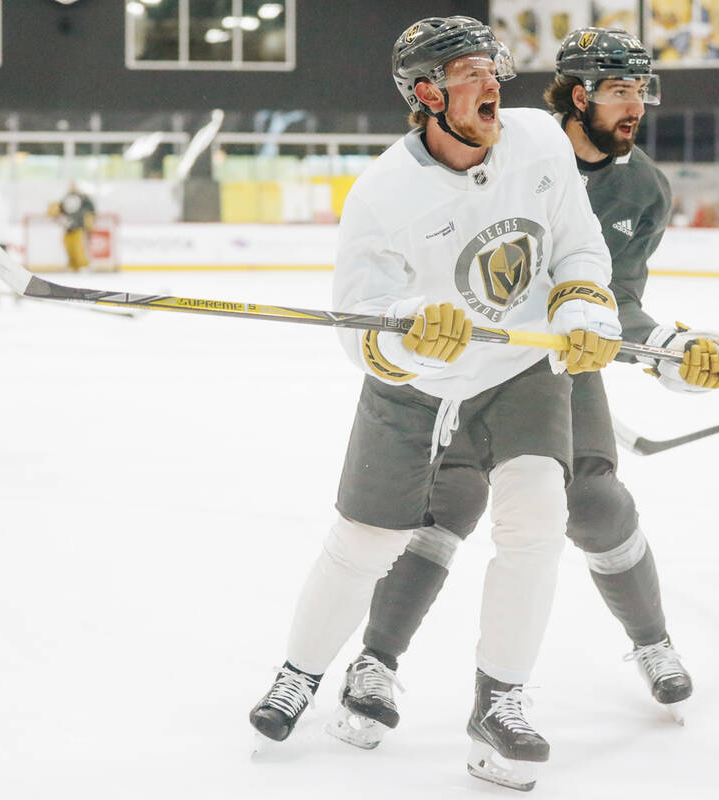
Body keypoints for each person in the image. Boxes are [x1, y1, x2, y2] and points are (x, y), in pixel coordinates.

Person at [326, 27, 719, 756]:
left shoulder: (642, 187)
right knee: (445, 503)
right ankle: (374, 662)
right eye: (619, 91)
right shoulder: (504, 141)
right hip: (468, 352)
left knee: (594, 501)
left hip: (556, 355)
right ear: (577, 96)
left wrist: (668, 346)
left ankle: (653, 641)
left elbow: (617, 297)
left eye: (640, 91)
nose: (635, 106)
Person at [247, 16, 634, 792]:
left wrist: (585, 306)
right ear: (426, 92)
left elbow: (577, 245)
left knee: (536, 521)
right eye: (470, 72)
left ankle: (501, 704)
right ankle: (300, 672)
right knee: (365, 541)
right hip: (417, 385)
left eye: (493, 66)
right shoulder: (383, 193)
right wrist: (411, 337)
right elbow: (358, 331)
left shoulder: (538, 142)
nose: (492, 81)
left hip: (519, 369)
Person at [48, 182, 95, 270]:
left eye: (74, 185)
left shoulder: (83, 198)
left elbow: (91, 209)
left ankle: (83, 265)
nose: (72, 187)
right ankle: (72, 266)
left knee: (79, 247)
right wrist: (55, 211)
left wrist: (90, 218)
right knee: (68, 247)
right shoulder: (66, 198)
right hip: (68, 227)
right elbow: (60, 209)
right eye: (71, 185)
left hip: (78, 226)